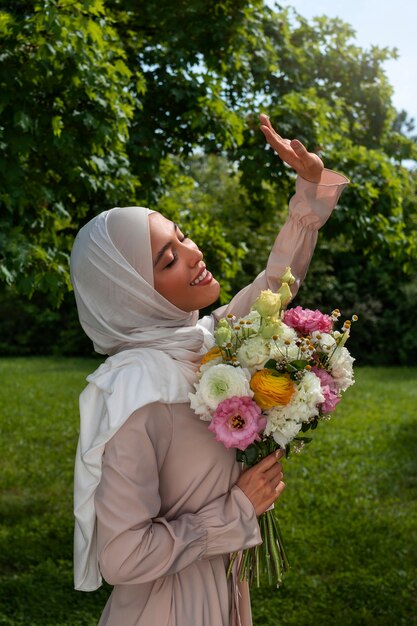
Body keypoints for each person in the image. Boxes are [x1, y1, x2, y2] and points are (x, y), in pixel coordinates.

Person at [70, 113, 348, 626]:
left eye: (183, 237)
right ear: (132, 292)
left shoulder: (204, 342)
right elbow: (122, 557)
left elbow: (274, 285)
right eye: (167, 259)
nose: (195, 254)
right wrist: (237, 511)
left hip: (220, 587)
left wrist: (309, 189)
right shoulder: (137, 392)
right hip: (167, 608)